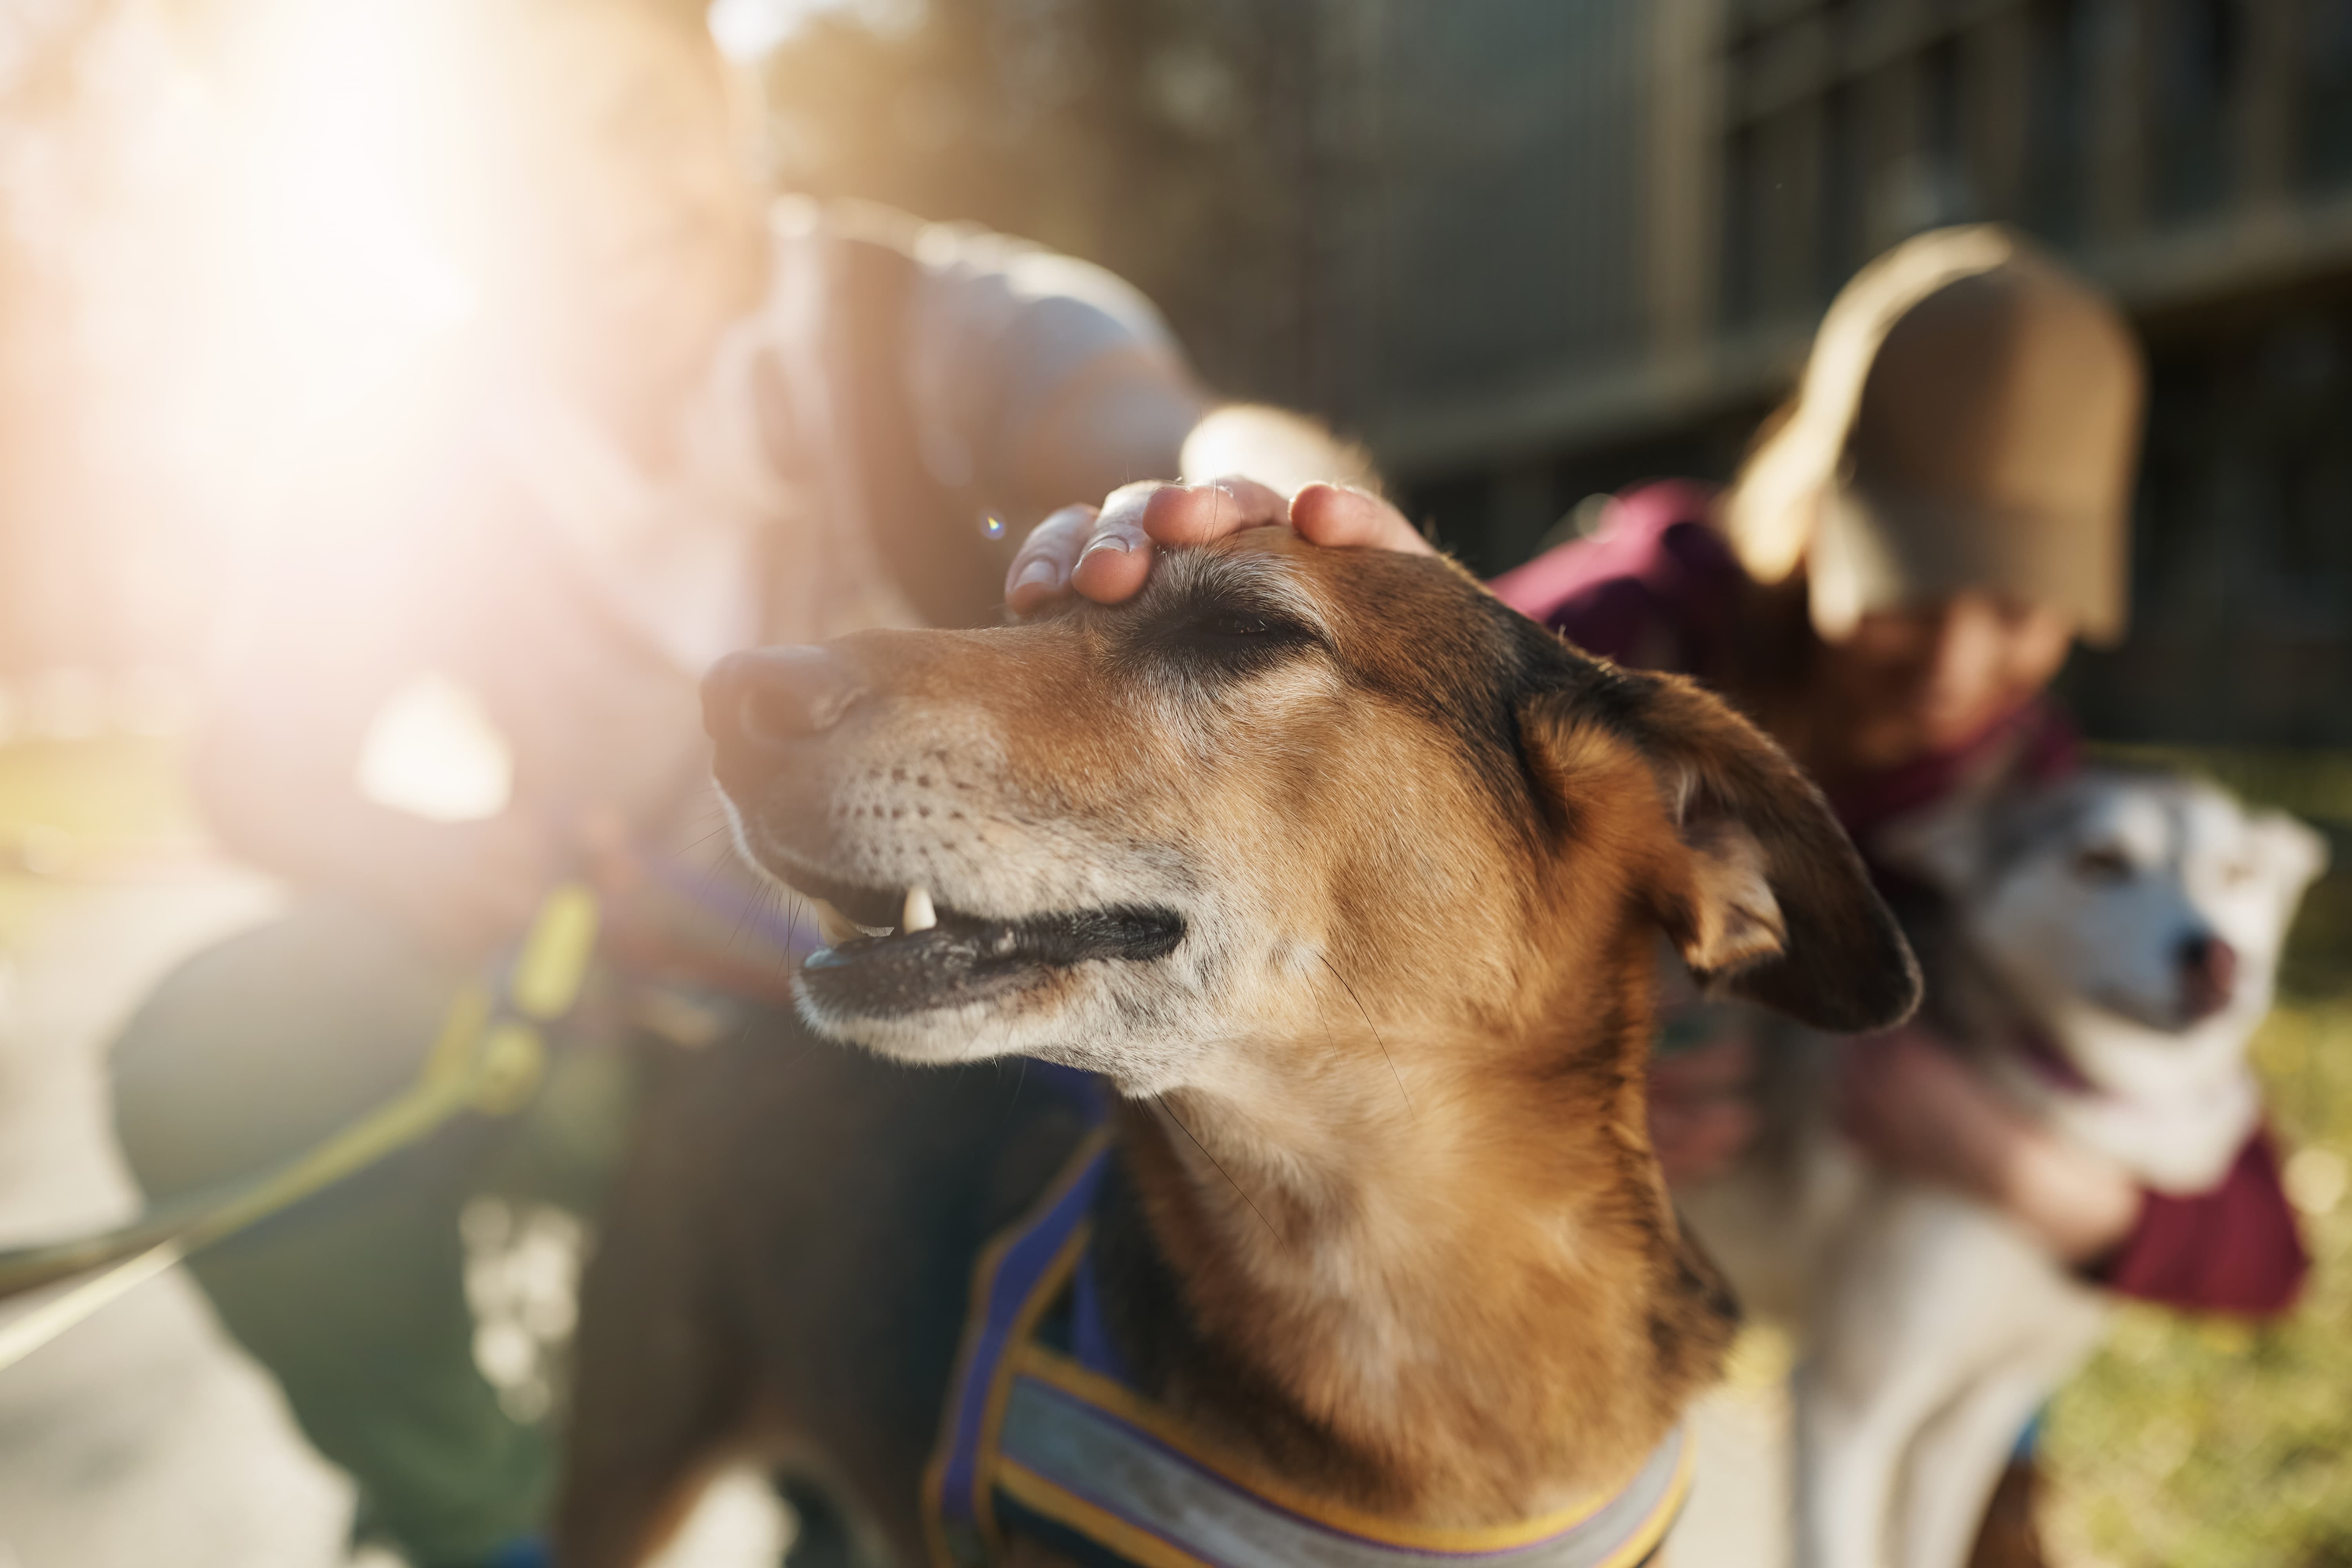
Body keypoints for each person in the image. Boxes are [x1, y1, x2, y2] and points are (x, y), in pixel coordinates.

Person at [104, 5, 1328, 1565]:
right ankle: (484, 1519)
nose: (591, 206)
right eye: (507, 172)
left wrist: (1289, 508)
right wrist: (447, 859)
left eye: (628, 123)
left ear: (723, 90)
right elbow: (248, 762)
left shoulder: (947, 325)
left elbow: (1160, 433)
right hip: (619, 1050)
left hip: (959, 1075)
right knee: (225, 1047)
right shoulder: (405, 450)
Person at [1017, 225, 2307, 1561]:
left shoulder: (2028, 798)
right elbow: (1364, 821)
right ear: (1815, 516)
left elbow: (2262, 1238)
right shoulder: (1607, 646)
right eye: (1912, 597)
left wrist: (2034, 1175)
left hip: (1886, 1271)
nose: (1954, 666)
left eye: (2019, 613)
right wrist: (1586, 1078)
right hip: (1527, 1222)